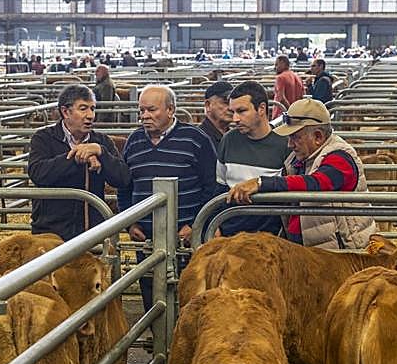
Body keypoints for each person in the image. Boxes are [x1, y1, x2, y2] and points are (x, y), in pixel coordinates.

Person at [227, 98, 377, 250]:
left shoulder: (339, 157)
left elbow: (316, 183)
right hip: (313, 249)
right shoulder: (298, 159)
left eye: (295, 137)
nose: (290, 144)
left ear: (318, 137)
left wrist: (261, 183)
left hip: (343, 253)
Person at [120, 85, 219, 310]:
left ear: (170, 110)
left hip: (184, 237)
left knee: (189, 291)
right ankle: (156, 340)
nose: (145, 116)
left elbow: (211, 185)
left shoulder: (196, 139)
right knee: (150, 292)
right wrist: (129, 222)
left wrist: (195, 226)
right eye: (141, 110)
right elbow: (125, 185)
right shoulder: (134, 142)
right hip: (145, 238)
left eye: (151, 110)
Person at [27, 84, 130, 242]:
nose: (90, 115)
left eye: (92, 109)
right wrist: (75, 158)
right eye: (83, 109)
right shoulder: (43, 138)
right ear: (65, 112)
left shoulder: (101, 141)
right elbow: (38, 173)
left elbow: (122, 178)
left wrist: (101, 153)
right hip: (51, 231)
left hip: (93, 230)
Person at [215, 81, 290, 236]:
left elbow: (290, 193)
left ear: (261, 108)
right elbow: (219, 187)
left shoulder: (285, 144)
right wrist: (215, 226)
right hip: (230, 230)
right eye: (233, 112)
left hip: (270, 237)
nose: (235, 119)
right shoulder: (228, 140)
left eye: (241, 111)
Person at [199, 80, 233, 149]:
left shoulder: (235, 136)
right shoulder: (198, 138)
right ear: (208, 105)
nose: (230, 108)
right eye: (225, 102)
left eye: (232, 103)